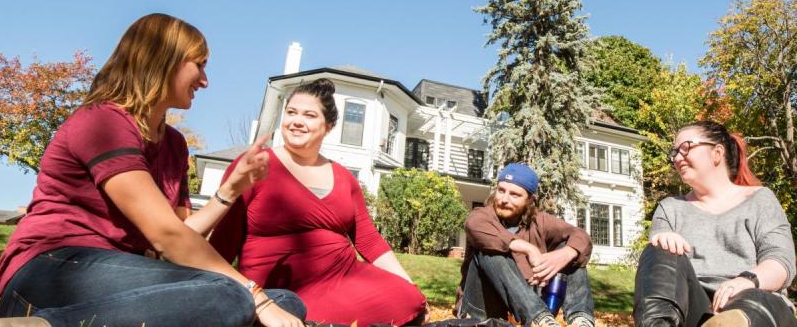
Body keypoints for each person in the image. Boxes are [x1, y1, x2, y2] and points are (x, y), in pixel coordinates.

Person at [0, 13, 306, 327]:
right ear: (164, 59)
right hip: (50, 270)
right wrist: (254, 295)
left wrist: (231, 189)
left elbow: (183, 233)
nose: (205, 81)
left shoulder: (175, 145)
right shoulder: (103, 121)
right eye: (200, 64)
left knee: (286, 303)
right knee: (233, 297)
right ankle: (39, 324)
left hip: (125, 277)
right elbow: (167, 236)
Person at [210, 78, 426, 326]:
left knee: (409, 297)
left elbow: (369, 240)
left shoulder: (345, 178)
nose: (297, 121)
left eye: (309, 115)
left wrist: (409, 283)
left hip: (345, 276)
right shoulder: (253, 166)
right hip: (281, 290)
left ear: (329, 126)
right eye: (291, 112)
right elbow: (221, 245)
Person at [633, 120, 797, 327]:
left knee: (755, 304)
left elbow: (780, 263)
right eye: (674, 152)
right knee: (659, 249)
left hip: (753, 305)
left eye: (685, 148)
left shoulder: (760, 200)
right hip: (694, 310)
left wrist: (747, 280)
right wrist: (664, 240)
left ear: (717, 153)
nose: (676, 158)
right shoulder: (670, 208)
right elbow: (658, 272)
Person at [457, 163, 596, 327]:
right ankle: (539, 320)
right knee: (489, 250)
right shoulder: (482, 215)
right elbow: (474, 226)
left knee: (571, 248)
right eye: (501, 190)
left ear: (530, 200)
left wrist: (564, 254)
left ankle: (581, 320)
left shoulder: (540, 221)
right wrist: (529, 249)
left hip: (529, 303)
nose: (503, 199)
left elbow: (581, 236)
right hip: (482, 311)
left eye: (514, 195)